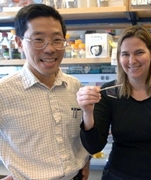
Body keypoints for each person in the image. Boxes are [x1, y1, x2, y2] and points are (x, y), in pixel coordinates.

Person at [76, 25, 151, 180]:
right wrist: (87, 112)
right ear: (119, 58)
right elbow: (94, 146)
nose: (132, 61)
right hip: (117, 176)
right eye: (125, 54)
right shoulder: (109, 91)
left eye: (139, 52)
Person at [0, 4, 90, 180]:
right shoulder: (4, 93)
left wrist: (86, 158)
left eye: (57, 39)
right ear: (19, 43)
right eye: (38, 40)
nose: (50, 49)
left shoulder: (75, 87)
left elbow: (80, 136)